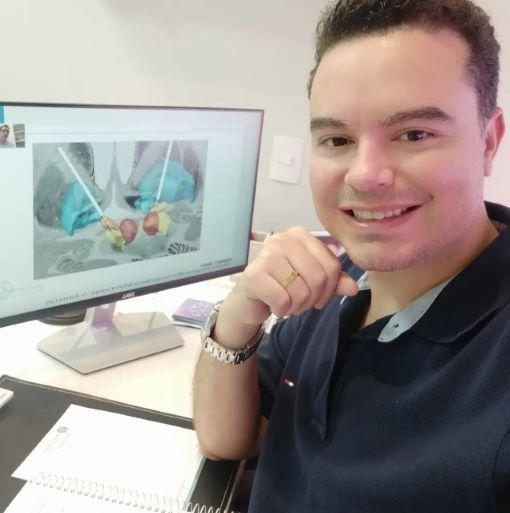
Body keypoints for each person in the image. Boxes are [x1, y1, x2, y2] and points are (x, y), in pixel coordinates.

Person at [193, 0, 510, 511]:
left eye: (414, 134)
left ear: (488, 142)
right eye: (337, 139)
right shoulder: (340, 279)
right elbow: (230, 440)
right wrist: (238, 315)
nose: (364, 175)